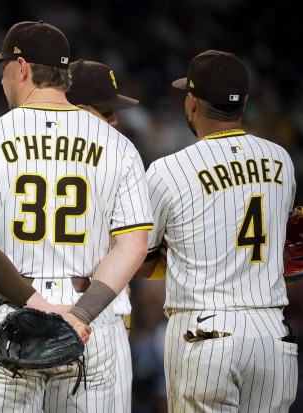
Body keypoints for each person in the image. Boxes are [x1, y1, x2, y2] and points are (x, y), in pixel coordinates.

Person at [0, 21, 153, 412]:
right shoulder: (118, 145)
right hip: (91, 320)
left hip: (13, 315)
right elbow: (133, 245)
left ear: (21, 68)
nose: (2, 79)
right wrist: (79, 315)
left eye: (4, 67)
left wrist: (37, 303)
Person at [136, 50, 298, 412]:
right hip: (272, 330)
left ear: (191, 102)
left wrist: (172, 253)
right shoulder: (282, 161)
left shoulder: (167, 171)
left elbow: (139, 260)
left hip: (205, 331)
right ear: (245, 104)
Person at [66, 58, 139, 413]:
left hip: (85, 312)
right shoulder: (118, 160)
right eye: (107, 113)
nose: (116, 122)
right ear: (79, 110)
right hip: (93, 318)